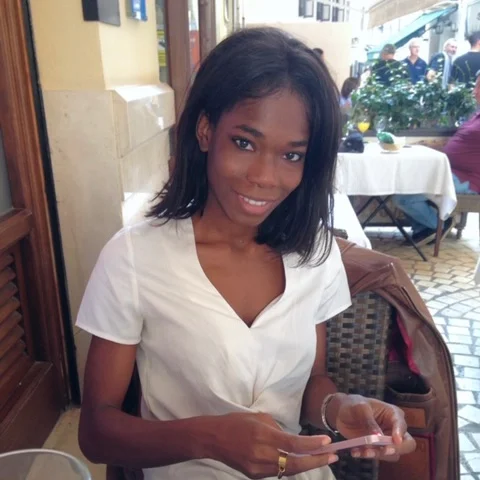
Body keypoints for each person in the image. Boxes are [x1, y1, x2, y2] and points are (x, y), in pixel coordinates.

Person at [77, 27, 415, 480]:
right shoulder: (134, 258)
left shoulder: (313, 252)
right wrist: (210, 438)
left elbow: (311, 382)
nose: (264, 177)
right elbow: (96, 432)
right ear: (205, 131)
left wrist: (340, 408)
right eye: (245, 143)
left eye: (291, 156)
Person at [393, 73, 480, 246]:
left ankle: (438, 225)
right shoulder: (476, 115)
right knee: (402, 181)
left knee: (404, 194)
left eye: (479, 87)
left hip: (468, 179)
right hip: (448, 170)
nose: (474, 91)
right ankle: (425, 230)